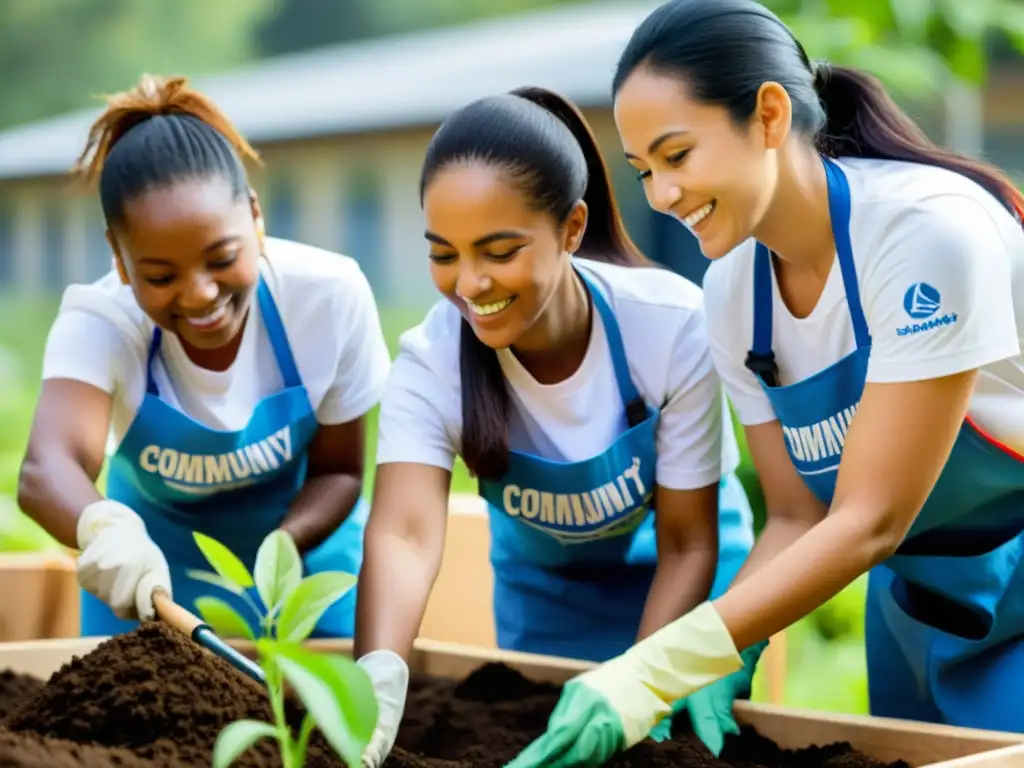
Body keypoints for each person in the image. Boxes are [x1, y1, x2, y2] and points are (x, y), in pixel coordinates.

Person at [505, 0, 1024, 765]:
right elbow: (795, 514)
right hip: (913, 604)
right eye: (643, 170)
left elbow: (871, 515)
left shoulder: (923, 235)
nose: (660, 196)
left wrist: (661, 662)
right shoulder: (732, 293)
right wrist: (730, 641)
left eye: (678, 156)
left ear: (770, 114)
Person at [352, 84, 763, 768]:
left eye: (499, 251)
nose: (470, 284)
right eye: (444, 254)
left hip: (687, 586)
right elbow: (404, 531)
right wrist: (379, 677)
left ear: (572, 229)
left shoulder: (667, 326)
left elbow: (690, 544)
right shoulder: (431, 363)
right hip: (549, 599)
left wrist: (645, 683)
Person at [17, 74, 391, 639]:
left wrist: (280, 552)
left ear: (256, 216)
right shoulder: (101, 321)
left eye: (221, 258)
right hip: (155, 571)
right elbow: (47, 469)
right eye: (160, 275)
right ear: (120, 260)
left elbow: (340, 470)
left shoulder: (327, 298)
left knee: (320, 721)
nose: (199, 294)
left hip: (301, 557)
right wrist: (103, 530)